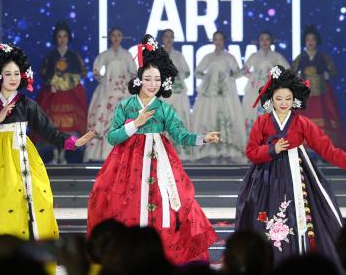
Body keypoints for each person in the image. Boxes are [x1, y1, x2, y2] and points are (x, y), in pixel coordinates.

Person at [0, 43, 94, 272]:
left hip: (24, 161)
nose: (12, 78)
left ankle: (30, 260)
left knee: (34, 203)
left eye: (16, 74)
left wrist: (73, 142)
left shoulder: (27, 104)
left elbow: (49, 131)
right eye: (7, 74)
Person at [87, 34, 221, 264]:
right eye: (148, 79)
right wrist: (135, 125)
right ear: (139, 79)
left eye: (157, 80)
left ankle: (160, 256)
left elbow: (181, 135)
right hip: (127, 165)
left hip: (161, 164)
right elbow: (112, 137)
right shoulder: (126, 105)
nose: (152, 84)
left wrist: (204, 139)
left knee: (165, 206)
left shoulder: (163, 109)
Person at [235, 65, 346, 265]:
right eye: (279, 98)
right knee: (264, 217)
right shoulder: (262, 122)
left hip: (297, 175)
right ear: (271, 99)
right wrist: (272, 149)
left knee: (301, 216)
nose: (283, 103)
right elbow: (251, 152)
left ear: (294, 100)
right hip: (265, 178)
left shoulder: (302, 123)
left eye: (288, 99)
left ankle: (298, 260)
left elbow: (327, 149)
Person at [190, 30, 246, 163]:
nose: (218, 42)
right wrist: (208, 79)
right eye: (216, 39)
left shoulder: (229, 57)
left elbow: (238, 73)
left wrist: (229, 79)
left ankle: (226, 148)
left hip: (227, 95)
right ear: (213, 41)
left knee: (225, 117)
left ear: (224, 41)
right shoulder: (208, 57)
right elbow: (197, 72)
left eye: (220, 39)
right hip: (211, 95)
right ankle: (211, 149)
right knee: (211, 116)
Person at [37, 20, 89, 163]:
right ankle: (55, 154)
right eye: (59, 36)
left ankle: (64, 154)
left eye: (64, 36)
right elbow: (43, 72)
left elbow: (83, 71)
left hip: (69, 96)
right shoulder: (51, 55)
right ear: (56, 38)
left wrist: (71, 80)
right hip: (54, 95)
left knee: (68, 126)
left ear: (68, 37)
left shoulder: (73, 55)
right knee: (55, 125)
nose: (62, 39)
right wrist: (51, 82)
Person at [84, 27, 136, 162]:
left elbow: (134, 72)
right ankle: (103, 154)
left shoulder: (127, 54)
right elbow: (96, 71)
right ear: (110, 37)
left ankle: (124, 154)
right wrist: (105, 81)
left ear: (122, 37)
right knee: (104, 119)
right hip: (107, 91)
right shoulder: (105, 55)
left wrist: (125, 82)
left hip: (123, 91)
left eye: (119, 35)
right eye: (113, 35)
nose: (116, 38)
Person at [291, 25, 346, 150]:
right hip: (305, 93)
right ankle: (307, 151)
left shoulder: (323, 57)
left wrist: (325, 75)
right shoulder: (300, 58)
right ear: (304, 42)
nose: (310, 42)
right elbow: (291, 72)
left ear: (317, 41)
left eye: (313, 39)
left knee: (324, 117)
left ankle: (322, 149)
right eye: (308, 40)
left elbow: (333, 71)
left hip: (322, 94)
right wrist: (298, 77)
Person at [242, 31, 289, 132]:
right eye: (262, 39)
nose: (264, 42)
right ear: (259, 41)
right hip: (255, 89)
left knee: (271, 110)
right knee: (253, 110)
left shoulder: (276, 56)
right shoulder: (254, 56)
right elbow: (244, 70)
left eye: (267, 39)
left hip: (271, 87)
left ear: (271, 41)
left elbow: (287, 69)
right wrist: (253, 77)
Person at [160, 29, 194, 160]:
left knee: (178, 117)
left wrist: (178, 74)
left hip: (178, 93)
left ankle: (181, 152)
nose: (169, 39)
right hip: (163, 92)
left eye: (171, 37)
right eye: (166, 36)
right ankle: (162, 150)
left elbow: (187, 72)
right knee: (163, 118)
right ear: (162, 39)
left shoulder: (178, 55)